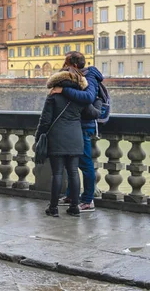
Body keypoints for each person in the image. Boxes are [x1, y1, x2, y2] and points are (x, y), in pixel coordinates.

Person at [51, 52, 104, 212]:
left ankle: (88, 200)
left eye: (66, 63)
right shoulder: (78, 76)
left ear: (74, 65)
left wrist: (64, 91)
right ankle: (72, 196)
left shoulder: (90, 75)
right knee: (71, 163)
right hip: (74, 125)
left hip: (84, 125)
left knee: (85, 163)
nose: (64, 67)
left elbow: (88, 97)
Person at [36, 60, 90, 218]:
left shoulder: (53, 95)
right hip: (75, 136)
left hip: (57, 137)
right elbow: (92, 112)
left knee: (57, 173)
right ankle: (75, 207)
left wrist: (38, 137)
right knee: (74, 172)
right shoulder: (81, 96)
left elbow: (45, 120)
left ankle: (53, 208)